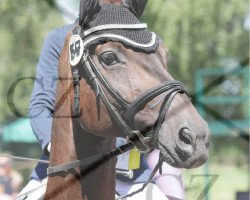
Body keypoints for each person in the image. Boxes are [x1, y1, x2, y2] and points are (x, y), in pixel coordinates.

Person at [17, 1, 185, 200]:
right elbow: (40, 106)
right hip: (60, 171)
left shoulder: (140, 41)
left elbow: (154, 105)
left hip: (131, 179)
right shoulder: (60, 38)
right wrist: (57, 148)